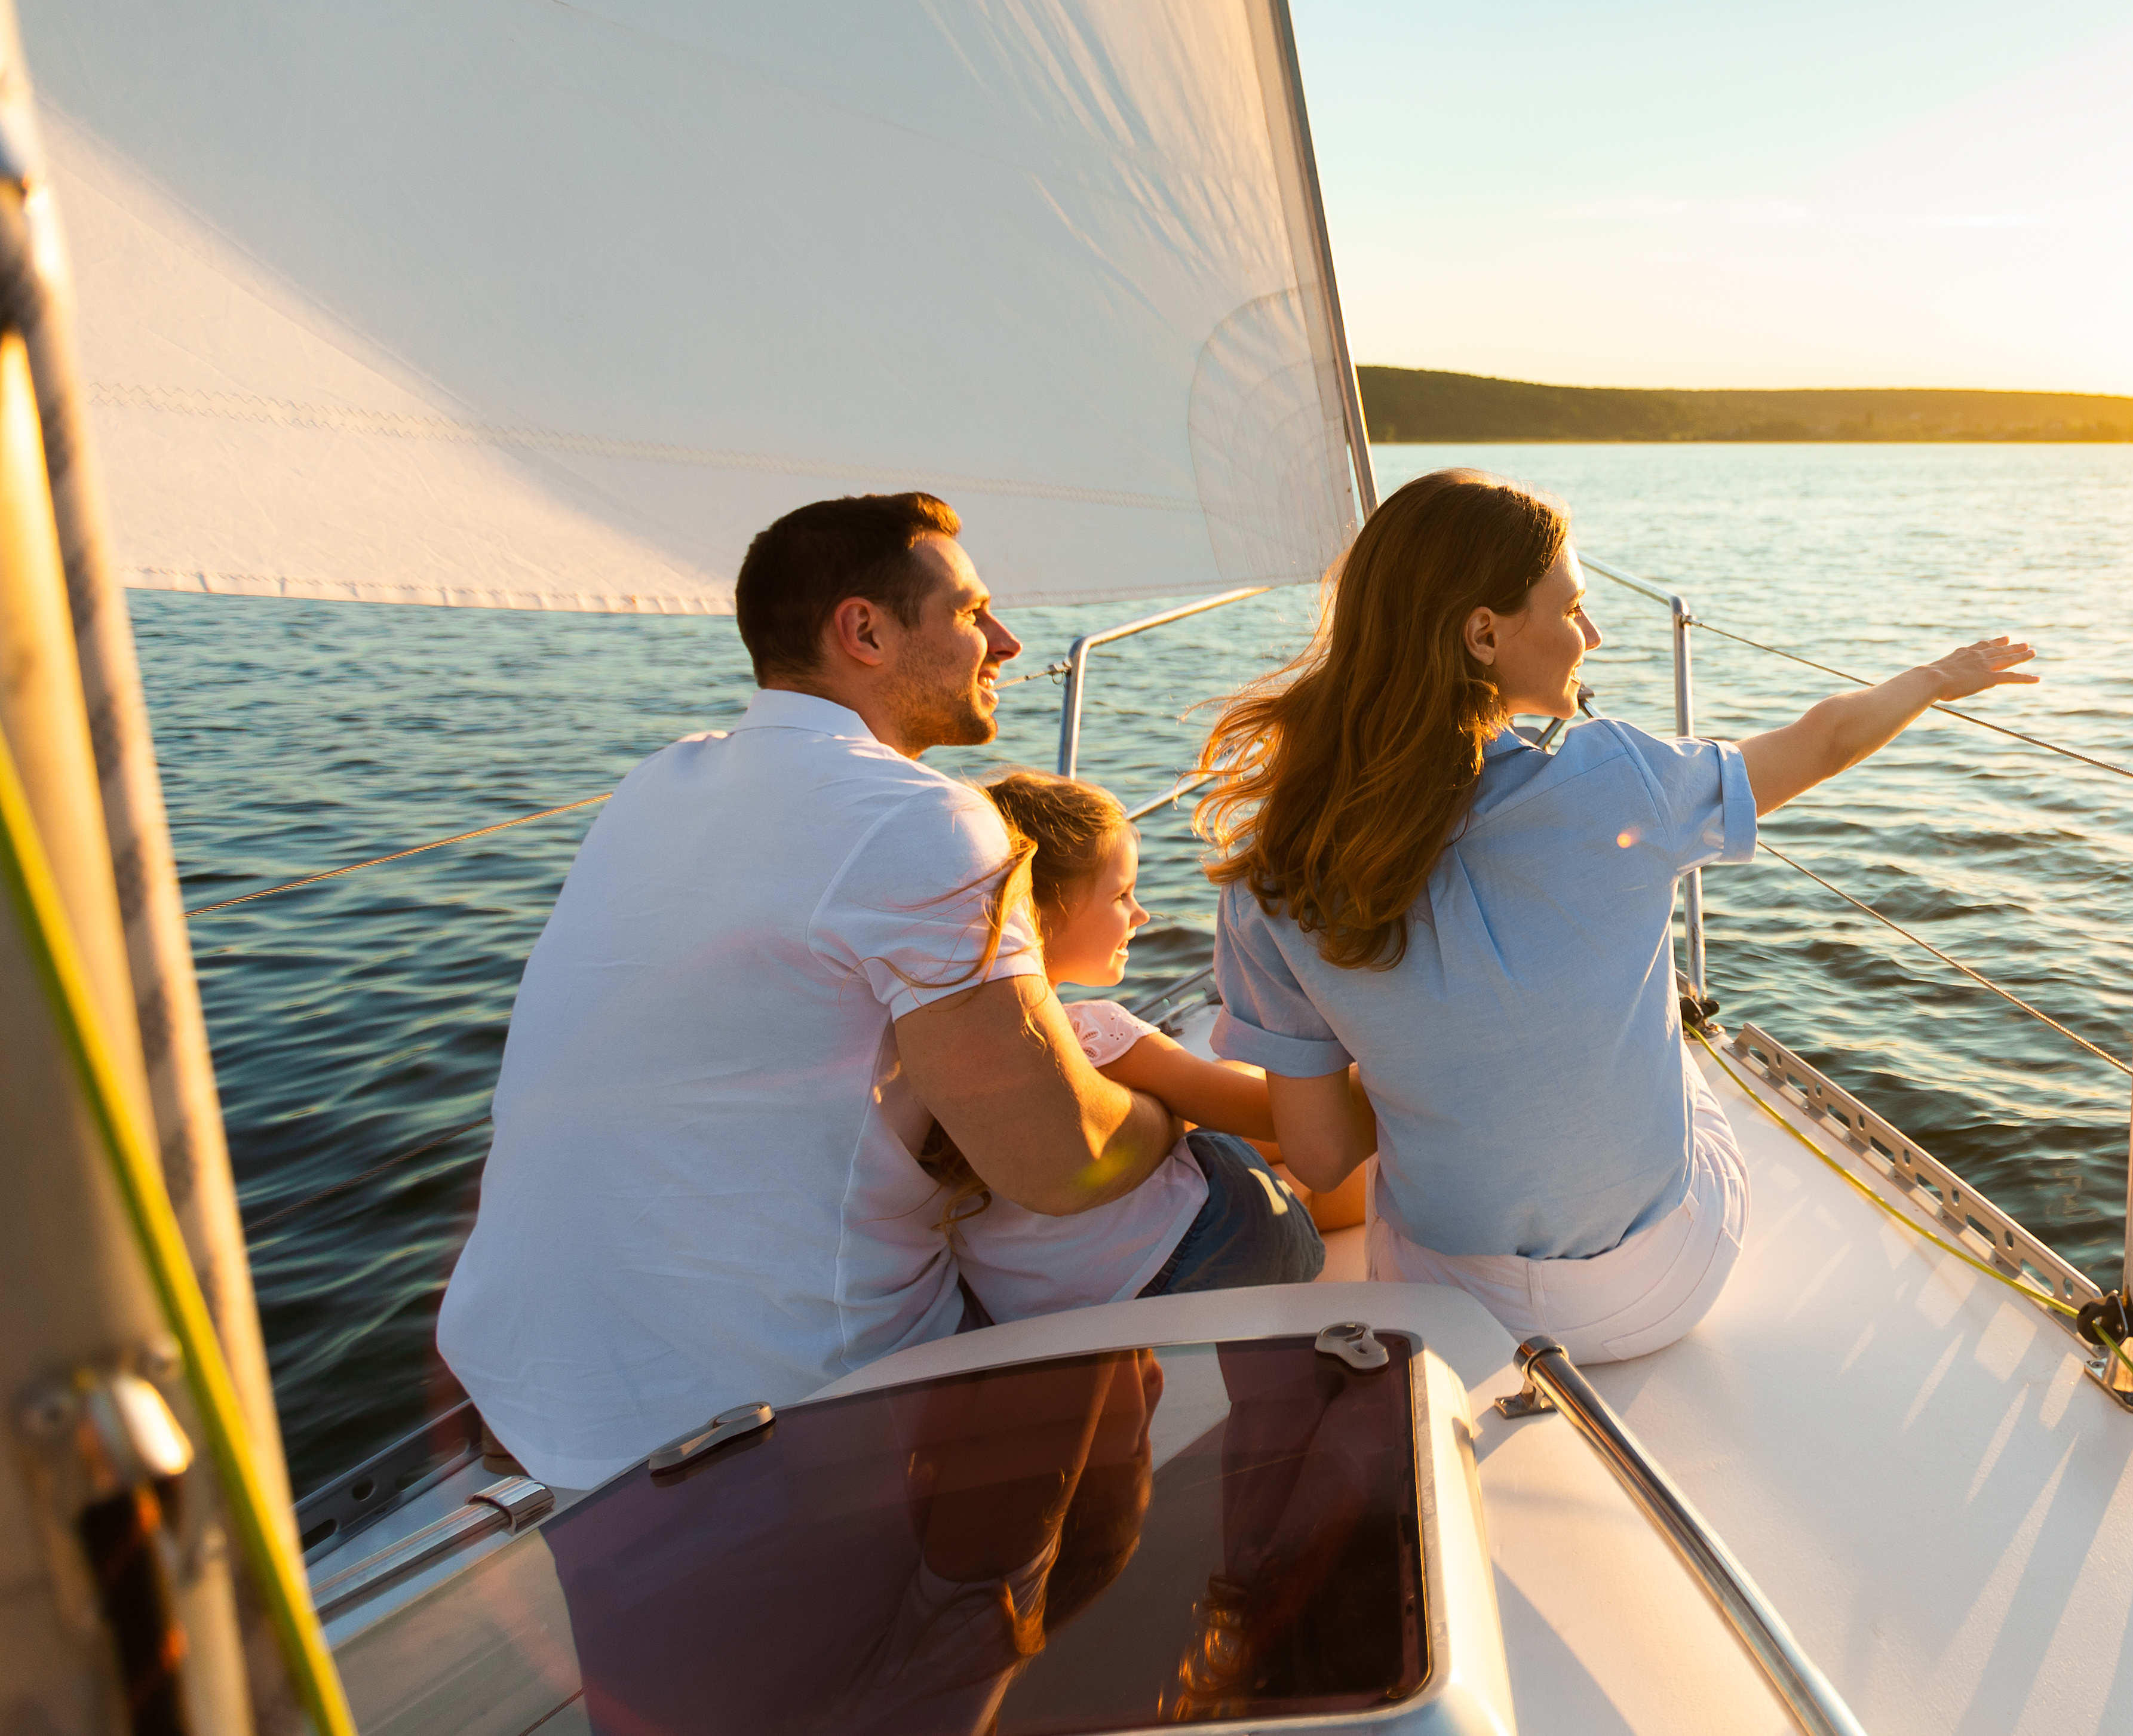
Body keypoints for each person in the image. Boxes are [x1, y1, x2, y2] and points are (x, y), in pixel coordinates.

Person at [437, 493, 1308, 1489]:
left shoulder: (660, 780)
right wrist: (1169, 1115)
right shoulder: (922, 819)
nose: (1008, 639)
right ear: (865, 630)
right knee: (1234, 1192)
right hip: (784, 1396)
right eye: (973, 610)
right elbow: (1057, 1158)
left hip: (531, 1379)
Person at [1201, 468, 2037, 1361]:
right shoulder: (1622, 779)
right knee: (1675, 1042)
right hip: (1660, 1286)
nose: (1592, 636)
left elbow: (1321, 1159)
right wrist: (1934, 677)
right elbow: (1822, 741)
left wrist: (1432, 1069)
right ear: (1482, 633)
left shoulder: (1271, 878)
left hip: (1449, 1309)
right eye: (1570, 610)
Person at [928, 770, 1319, 1323]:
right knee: (1263, 1156)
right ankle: (1305, 1200)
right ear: (1041, 913)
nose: (1141, 914)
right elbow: (1279, 1118)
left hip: (1037, 1314)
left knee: (1217, 1100)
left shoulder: (930, 1056)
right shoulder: (1096, 1035)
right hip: (1209, 1257)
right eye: (1121, 895)